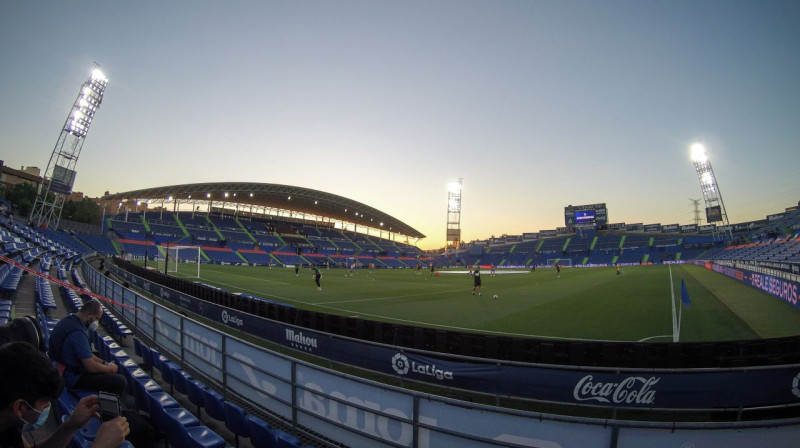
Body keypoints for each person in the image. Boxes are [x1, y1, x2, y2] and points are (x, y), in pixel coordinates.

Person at [0, 341, 129, 448]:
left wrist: (71, 425)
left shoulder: (9, 419)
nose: (47, 408)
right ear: (20, 407)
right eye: (44, 404)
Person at [48, 300, 127, 397]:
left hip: (65, 369)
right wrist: (110, 369)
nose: (97, 323)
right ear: (90, 314)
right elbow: (91, 367)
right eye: (97, 319)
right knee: (119, 381)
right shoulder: (77, 333)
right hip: (72, 377)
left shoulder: (69, 321)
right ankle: (106, 409)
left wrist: (104, 363)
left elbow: (87, 354)